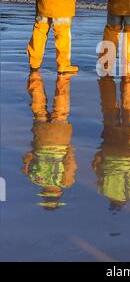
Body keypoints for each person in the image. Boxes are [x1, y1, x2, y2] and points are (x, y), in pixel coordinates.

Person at [23, 71, 77, 210]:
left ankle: (63, 78)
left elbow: (70, 161)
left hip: (60, 139)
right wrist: (34, 148)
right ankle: (35, 79)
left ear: (58, 193)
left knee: (61, 112)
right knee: (39, 112)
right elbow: (27, 159)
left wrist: (69, 147)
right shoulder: (34, 179)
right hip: (40, 140)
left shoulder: (66, 182)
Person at [93, 76, 130, 212]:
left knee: (129, 116)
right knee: (110, 114)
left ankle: (127, 83)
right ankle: (116, 81)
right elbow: (96, 165)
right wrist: (101, 151)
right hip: (109, 149)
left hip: (128, 154)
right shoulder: (102, 190)